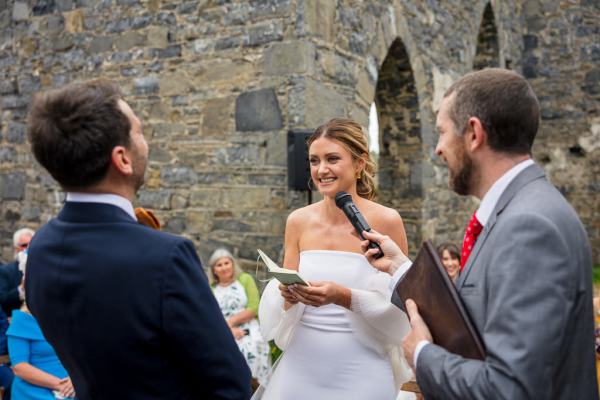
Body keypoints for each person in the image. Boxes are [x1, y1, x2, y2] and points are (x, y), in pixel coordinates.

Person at [362, 68, 597, 399]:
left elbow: (510, 388)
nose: (438, 149)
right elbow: (471, 314)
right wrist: (399, 267)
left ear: (473, 133)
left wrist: (423, 355)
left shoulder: (529, 227)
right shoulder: (519, 210)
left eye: (442, 132)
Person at [24, 79, 252, 399]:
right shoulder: (165, 257)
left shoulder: (41, 248)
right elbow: (230, 383)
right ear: (123, 159)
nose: (145, 142)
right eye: (139, 131)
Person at [257, 118, 414, 400]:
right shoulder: (298, 221)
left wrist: (343, 295)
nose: (321, 170)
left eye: (332, 159)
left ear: (359, 163)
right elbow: (283, 302)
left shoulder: (386, 220)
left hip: (362, 368)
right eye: (314, 161)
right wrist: (288, 296)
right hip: (302, 365)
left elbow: (403, 306)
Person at [208, 248, 271, 387]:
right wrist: (227, 330)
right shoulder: (211, 288)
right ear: (214, 270)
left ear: (232, 264)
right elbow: (210, 315)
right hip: (221, 328)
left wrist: (231, 322)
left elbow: (253, 307)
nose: (224, 267)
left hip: (247, 324)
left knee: (252, 347)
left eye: (227, 263)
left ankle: (254, 387)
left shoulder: (245, 279)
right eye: (219, 265)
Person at [0, 228, 34, 317]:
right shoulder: (5, 271)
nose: (28, 248)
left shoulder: (44, 270)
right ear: (16, 248)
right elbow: (2, 301)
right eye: (24, 245)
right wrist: (21, 289)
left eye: (32, 245)